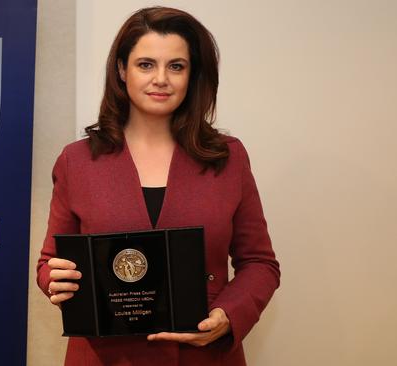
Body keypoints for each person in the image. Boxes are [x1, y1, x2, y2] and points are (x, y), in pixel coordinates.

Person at [36, 6, 280, 366]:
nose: (161, 78)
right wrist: (54, 279)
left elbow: (260, 263)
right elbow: (48, 264)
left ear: (192, 74)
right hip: (105, 357)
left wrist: (228, 315)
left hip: (203, 357)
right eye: (146, 64)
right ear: (122, 70)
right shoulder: (77, 161)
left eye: (176, 66)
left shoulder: (228, 157)